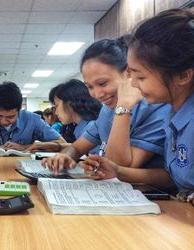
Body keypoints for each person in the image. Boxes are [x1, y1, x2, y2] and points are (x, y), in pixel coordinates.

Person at [80, 9, 194, 199]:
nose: (132, 84)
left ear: (182, 75)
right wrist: (117, 171)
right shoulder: (174, 114)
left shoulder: (166, 112)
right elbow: (173, 177)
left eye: (140, 76)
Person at [43, 36, 171, 173]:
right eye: (90, 87)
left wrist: (123, 107)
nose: (97, 95)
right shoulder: (106, 111)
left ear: (129, 73)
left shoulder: (156, 108)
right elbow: (77, 147)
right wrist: (65, 156)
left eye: (103, 83)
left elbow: (118, 165)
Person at [29, 79, 102, 152]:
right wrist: (57, 146)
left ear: (70, 103)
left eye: (57, 106)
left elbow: (95, 159)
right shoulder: (80, 127)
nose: (56, 112)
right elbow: (80, 147)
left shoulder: (91, 128)